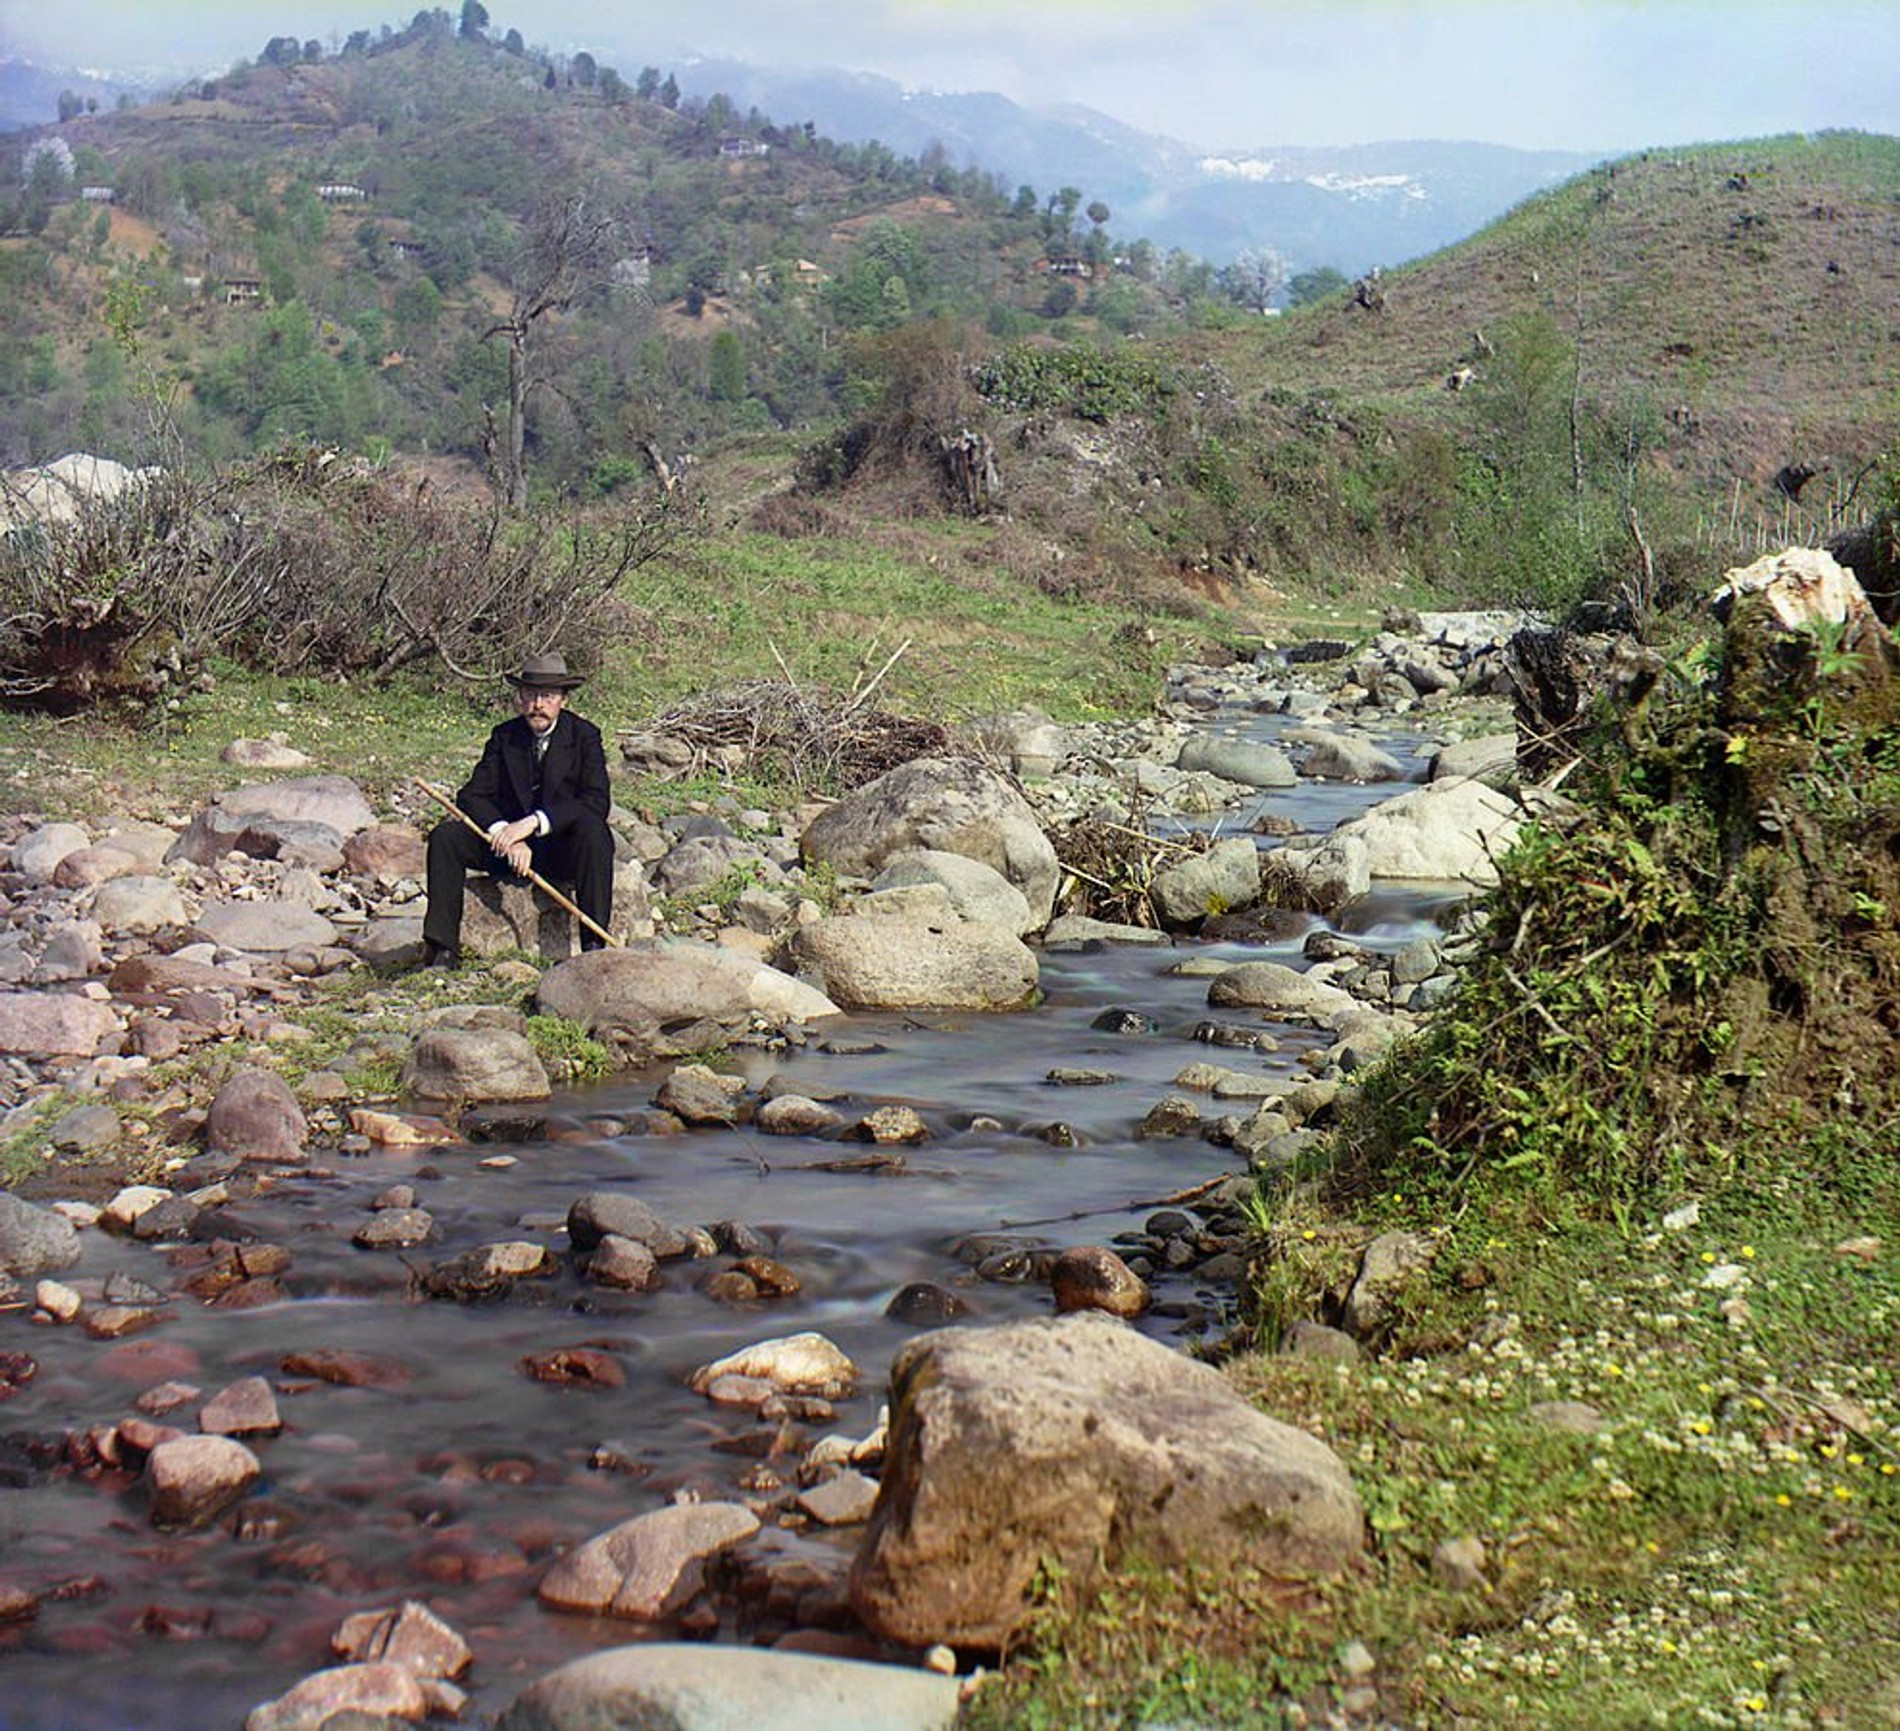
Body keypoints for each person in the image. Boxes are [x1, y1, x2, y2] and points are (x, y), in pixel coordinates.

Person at [421, 651, 613, 967]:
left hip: (560, 850)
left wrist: (535, 823)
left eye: (547, 696)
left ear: (563, 699)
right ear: (520, 698)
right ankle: (442, 949)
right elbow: (471, 796)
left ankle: (593, 948)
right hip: (508, 851)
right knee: (446, 837)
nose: (538, 704)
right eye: (530, 695)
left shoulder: (584, 736)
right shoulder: (504, 736)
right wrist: (503, 833)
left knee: (595, 832)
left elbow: (595, 801)